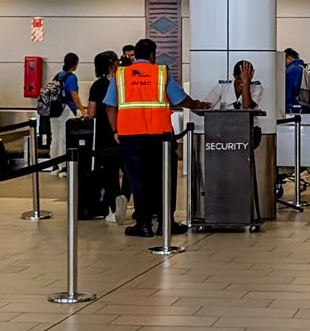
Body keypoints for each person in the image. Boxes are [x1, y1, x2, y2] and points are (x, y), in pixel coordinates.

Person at [105, 38, 208, 237]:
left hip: (129, 137)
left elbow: (110, 106)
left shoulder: (120, 75)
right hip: (159, 137)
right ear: (153, 55)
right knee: (163, 180)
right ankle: (165, 223)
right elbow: (180, 99)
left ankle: (143, 225)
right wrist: (197, 105)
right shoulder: (160, 73)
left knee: (138, 181)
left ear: (135, 54)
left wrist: (115, 130)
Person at [85, 51, 125, 222]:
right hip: (123, 130)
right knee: (129, 169)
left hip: (104, 134)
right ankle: (126, 197)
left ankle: (113, 208)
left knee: (110, 173)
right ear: (111, 63)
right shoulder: (120, 82)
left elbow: (92, 112)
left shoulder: (97, 85)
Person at [47, 51, 84, 174]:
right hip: (65, 110)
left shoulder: (58, 75)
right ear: (75, 64)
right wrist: (82, 110)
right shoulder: (71, 77)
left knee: (55, 137)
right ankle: (63, 166)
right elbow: (74, 95)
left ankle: (54, 164)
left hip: (53, 110)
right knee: (64, 138)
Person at [284, 48, 307, 113]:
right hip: (303, 106)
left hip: (293, 107)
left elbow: (289, 89)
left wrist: (286, 106)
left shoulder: (292, 69)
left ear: (289, 58)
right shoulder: (302, 67)